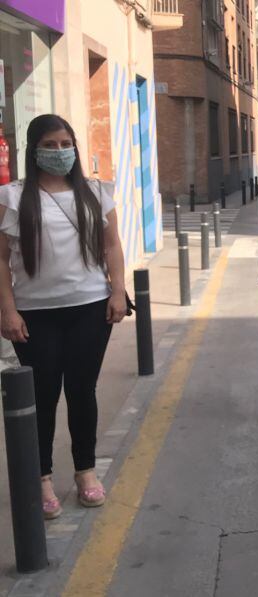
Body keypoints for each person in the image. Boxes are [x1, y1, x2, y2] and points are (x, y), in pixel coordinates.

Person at [0, 114, 128, 519]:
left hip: (89, 308)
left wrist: (118, 290)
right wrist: (7, 309)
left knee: (81, 391)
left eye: (65, 144)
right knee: (41, 397)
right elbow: (1, 261)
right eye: (50, 146)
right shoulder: (14, 197)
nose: (59, 152)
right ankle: (40, 479)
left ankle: (85, 472)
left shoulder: (95, 192)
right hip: (36, 314)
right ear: (34, 150)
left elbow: (112, 246)